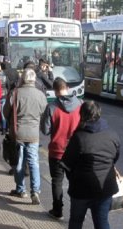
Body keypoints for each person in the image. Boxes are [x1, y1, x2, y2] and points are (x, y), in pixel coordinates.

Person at [60, 100, 120, 229]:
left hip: (81, 189)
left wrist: (74, 178)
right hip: (105, 187)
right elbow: (114, 158)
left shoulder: (79, 137)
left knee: (76, 221)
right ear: (99, 114)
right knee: (102, 222)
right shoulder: (112, 134)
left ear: (82, 115)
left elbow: (67, 164)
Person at [40, 78, 82, 220]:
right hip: (74, 152)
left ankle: (57, 210)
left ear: (55, 90)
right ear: (67, 87)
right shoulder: (80, 105)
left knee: (57, 181)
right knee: (75, 182)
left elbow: (45, 131)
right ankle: (76, 211)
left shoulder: (51, 107)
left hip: (56, 152)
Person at [4, 68, 47, 204]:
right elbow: (44, 114)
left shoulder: (15, 93)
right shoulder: (41, 95)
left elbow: (5, 112)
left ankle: (21, 189)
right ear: (34, 80)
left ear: (22, 79)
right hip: (34, 134)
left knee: (19, 162)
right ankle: (35, 191)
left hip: (18, 133)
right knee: (34, 162)